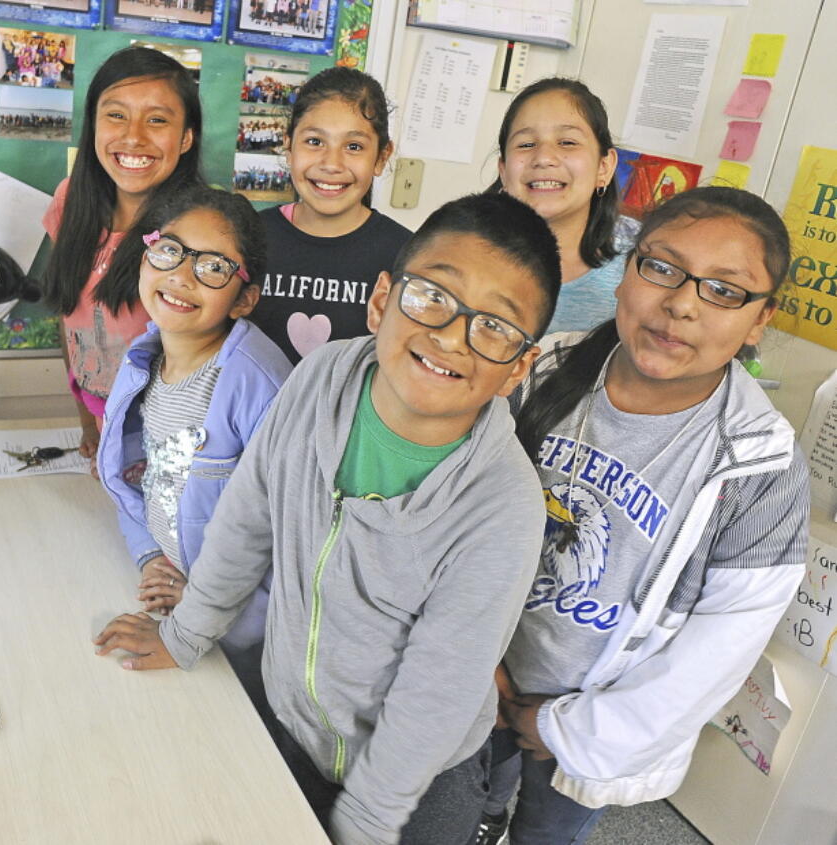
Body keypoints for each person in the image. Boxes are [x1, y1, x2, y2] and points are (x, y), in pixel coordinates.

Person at [95, 192, 563, 845]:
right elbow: (247, 515)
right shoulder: (320, 377)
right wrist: (186, 634)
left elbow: (437, 690)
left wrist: (364, 825)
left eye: (494, 326)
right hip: (294, 725)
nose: (452, 334)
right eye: (432, 295)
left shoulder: (502, 502)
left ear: (518, 366)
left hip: (414, 787)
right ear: (380, 300)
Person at [475, 187, 807, 845]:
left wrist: (563, 728)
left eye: (724, 290)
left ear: (760, 318)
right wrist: (477, 662)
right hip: (481, 667)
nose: (681, 302)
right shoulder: (540, 370)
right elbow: (456, 512)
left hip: (593, 722)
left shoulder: (761, 465)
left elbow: (718, 651)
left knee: (547, 831)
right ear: (628, 270)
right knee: (463, 805)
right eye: (661, 267)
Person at [97, 186, 290, 706]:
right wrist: (147, 554)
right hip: (177, 601)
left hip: (238, 638)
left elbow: (290, 541)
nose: (182, 275)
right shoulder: (144, 358)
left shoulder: (258, 386)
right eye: (170, 251)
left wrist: (208, 612)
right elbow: (136, 475)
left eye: (214, 267)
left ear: (244, 297)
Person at [41, 46, 203, 465]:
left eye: (157, 120)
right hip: (102, 428)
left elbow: (203, 366)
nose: (134, 136)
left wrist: (147, 457)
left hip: (162, 447)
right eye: (116, 115)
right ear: (93, 124)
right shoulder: (70, 202)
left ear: (186, 137)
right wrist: (88, 423)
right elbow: (70, 318)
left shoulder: (196, 232)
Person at [249, 67, 411, 365]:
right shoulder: (249, 237)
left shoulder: (407, 255)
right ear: (288, 146)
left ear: (381, 157)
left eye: (353, 147)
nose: (331, 163)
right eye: (314, 141)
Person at [491, 78, 629, 335]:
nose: (543, 158)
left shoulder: (643, 263)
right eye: (526, 144)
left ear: (605, 167)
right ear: (504, 171)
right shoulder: (460, 246)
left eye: (567, 142)